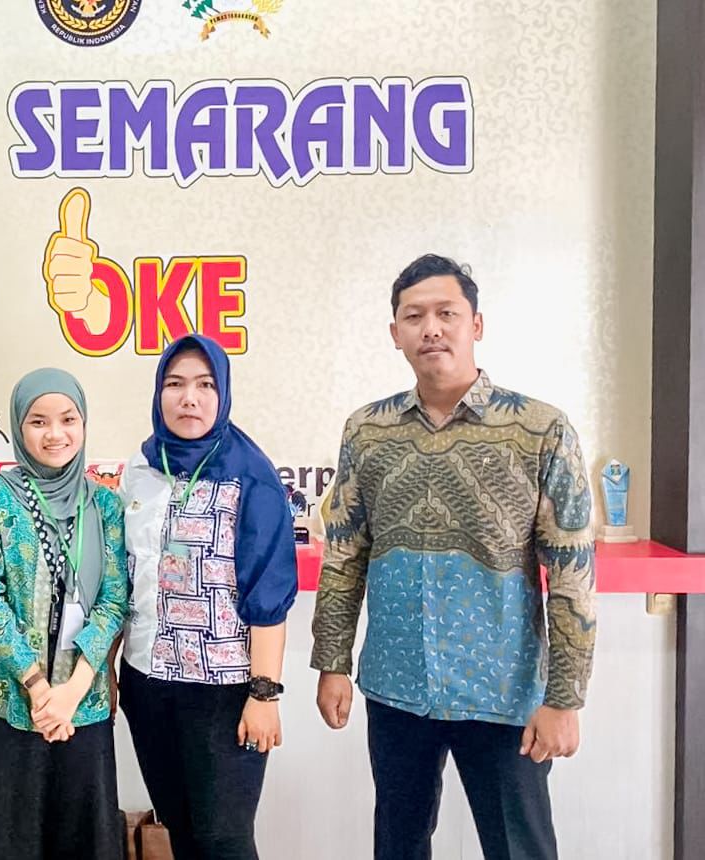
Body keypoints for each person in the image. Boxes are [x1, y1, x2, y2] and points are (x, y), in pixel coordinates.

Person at [311, 254, 597, 860]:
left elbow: (572, 573)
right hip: (396, 687)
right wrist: (332, 662)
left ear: (477, 324)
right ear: (395, 333)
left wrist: (565, 698)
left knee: (519, 848)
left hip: (504, 692)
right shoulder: (367, 431)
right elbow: (345, 554)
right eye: (414, 316)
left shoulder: (539, 430)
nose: (431, 329)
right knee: (399, 843)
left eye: (447, 313)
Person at [117, 333, 297, 860]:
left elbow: (268, 594)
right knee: (180, 828)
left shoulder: (251, 475)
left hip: (224, 691)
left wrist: (264, 695)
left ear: (223, 394)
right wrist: (107, 669)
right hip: (147, 684)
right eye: (175, 385)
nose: (189, 398)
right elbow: (125, 580)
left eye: (204, 385)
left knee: (225, 840)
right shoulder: (140, 469)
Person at [0, 368, 129, 860]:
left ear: (84, 423)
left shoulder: (105, 505)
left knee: (80, 840)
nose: (55, 434)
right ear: (18, 427)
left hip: (82, 707)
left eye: (68, 419)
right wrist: (37, 686)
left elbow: (115, 599)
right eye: (38, 421)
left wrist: (72, 691)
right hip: (3, 702)